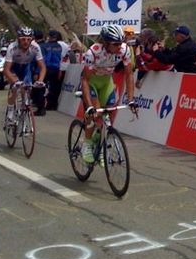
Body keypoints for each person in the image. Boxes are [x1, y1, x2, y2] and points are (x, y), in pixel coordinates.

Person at [80, 25, 138, 163]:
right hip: (92, 83)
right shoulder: (93, 52)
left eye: (121, 42)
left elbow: (129, 75)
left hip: (107, 83)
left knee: (108, 113)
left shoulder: (124, 51)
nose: (120, 46)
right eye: (116, 44)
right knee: (95, 113)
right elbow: (85, 80)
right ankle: (87, 144)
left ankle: (99, 145)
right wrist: (89, 106)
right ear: (105, 43)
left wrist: (130, 100)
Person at [3, 26, 46, 120]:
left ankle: (24, 107)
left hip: (26, 66)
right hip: (14, 67)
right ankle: (10, 109)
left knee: (26, 87)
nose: (26, 42)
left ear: (32, 40)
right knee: (15, 87)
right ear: (18, 39)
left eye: (28, 39)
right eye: (23, 39)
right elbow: (6, 70)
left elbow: (42, 67)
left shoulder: (35, 47)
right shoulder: (12, 47)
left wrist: (40, 81)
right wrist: (14, 81)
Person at [41, 30, 66, 111]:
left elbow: (45, 58)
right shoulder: (60, 46)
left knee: (44, 87)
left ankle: (45, 104)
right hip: (57, 69)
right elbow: (61, 59)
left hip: (47, 68)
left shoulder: (46, 46)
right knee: (54, 88)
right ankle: (53, 104)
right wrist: (60, 69)